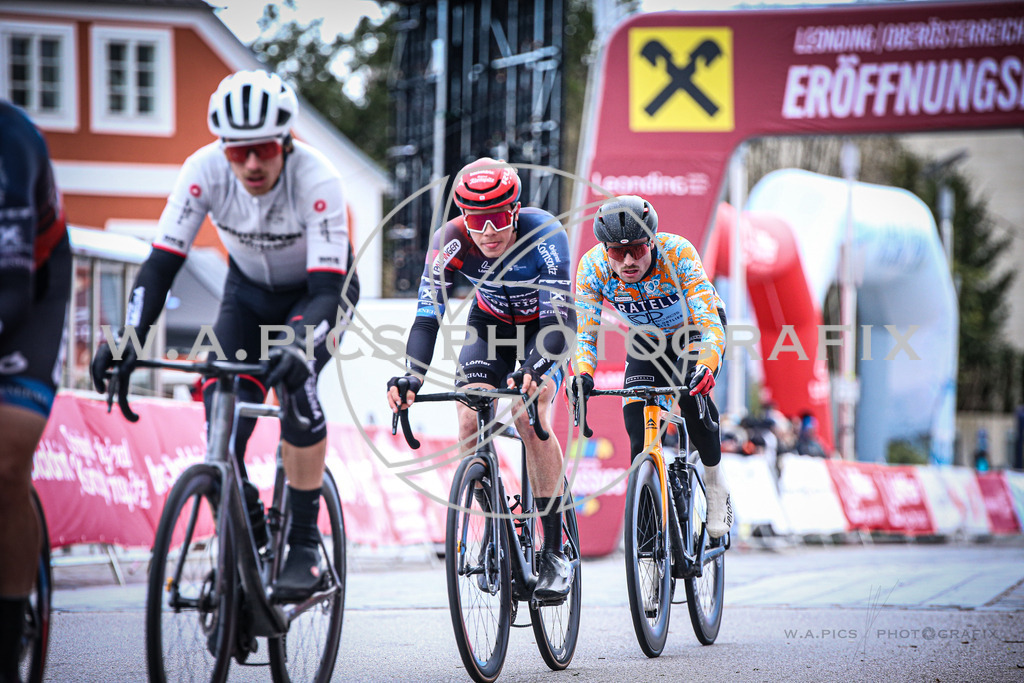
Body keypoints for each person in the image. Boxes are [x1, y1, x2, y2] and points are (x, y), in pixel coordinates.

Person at [91, 71, 359, 601]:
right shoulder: (203, 171)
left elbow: (328, 293)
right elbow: (159, 267)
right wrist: (126, 341)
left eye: (262, 149)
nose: (252, 164)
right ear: (223, 149)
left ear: (284, 142)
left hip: (319, 297)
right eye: (239, 153)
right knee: (220, 407)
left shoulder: (319, 177)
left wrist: (299, 347)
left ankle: (304, 548)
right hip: (248, 295)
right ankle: (251, 530)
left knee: (297, 388)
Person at [385, 158, 576, 601]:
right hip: (489, 325)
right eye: (476, 220)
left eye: (497, 218)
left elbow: (558, 325)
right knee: (470, 418)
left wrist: (532, 368)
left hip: (544, 328)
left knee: (529, 414)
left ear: (515, 210)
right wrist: (412, 376)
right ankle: (493, 519)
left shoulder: (544, 233)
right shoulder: (449, 241)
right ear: (462, 216)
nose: (487, 231)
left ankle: (553, 550)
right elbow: (427, 318)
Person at [570, 195, 733, 538]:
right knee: (635, 424)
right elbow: (584, 335)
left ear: (653, 241)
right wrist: (583, 375)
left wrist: (705, 364)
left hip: (694, 331)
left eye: (638, 250)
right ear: (605, 250)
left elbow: (709, 322)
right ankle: (646, 538)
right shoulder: (592, 268)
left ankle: (716, 486)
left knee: (689, 395)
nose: (628, 261)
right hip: (647, 338)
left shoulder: (678, 252)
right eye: (617, 252)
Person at [0, 101, 72, 682]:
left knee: (5, 460)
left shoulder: (12, 141)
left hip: (27, 293)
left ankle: (3, 645)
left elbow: (11, 292)